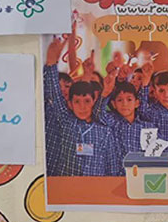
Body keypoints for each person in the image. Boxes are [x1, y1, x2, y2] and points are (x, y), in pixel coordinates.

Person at [44, 36, 119, 176]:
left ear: (94, 101)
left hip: (96, 186)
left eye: (87, 101)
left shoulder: (104, 131)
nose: (82, 107)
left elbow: (112, 166)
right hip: (66, 185)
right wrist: (52, 62)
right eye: (77, 102)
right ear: (70, 104)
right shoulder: (66, 122)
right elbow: (55, 94)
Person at [94, 70, 155, 176]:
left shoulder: (147, 127)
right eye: (120, 100)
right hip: (115, 176)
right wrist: (106, 92)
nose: (124, 104)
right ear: (114, 104)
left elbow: (152, 155)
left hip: (140, 177)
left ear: (137, 103)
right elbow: (98, 113)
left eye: (129, 99)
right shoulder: (112, 122)